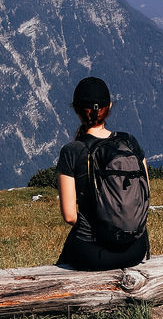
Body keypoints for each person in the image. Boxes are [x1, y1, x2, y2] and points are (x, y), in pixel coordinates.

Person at [55, 76, 151, 270]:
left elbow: (70, 216)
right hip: (135, 249)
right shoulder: (129, 142)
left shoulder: (72, 151)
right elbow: (145, 192)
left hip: (94, 255)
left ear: (76, 109)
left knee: (67, 255)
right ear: (110, 106)